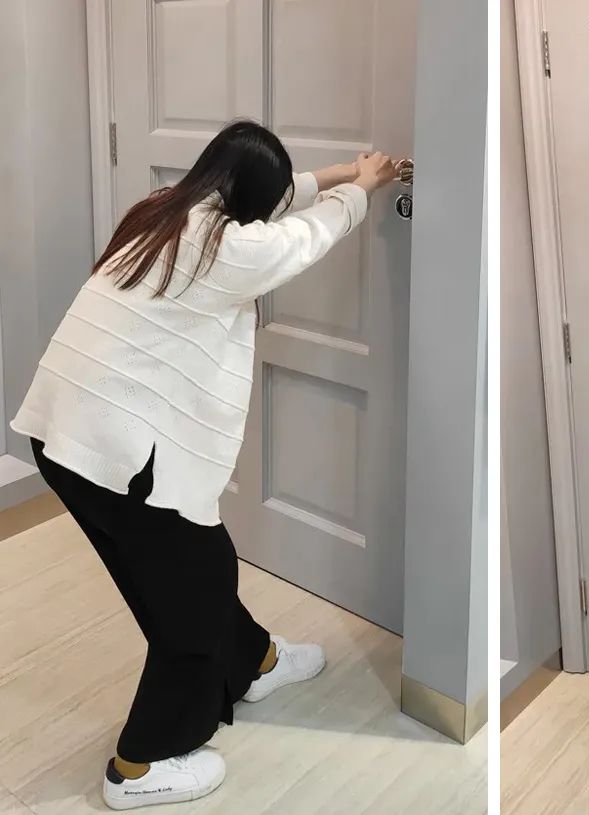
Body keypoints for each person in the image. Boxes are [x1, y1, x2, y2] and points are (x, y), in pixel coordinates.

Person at [10, 120, 399, 810]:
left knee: (181, 575)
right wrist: (361, 190)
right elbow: (299, 237)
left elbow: (278, 202)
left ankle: (256, 662)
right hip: (119, 453)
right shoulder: (231, 248)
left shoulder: (165, 210)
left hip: (67, 438)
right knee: (192, 599)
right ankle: (140, 765)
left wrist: (344, 171)